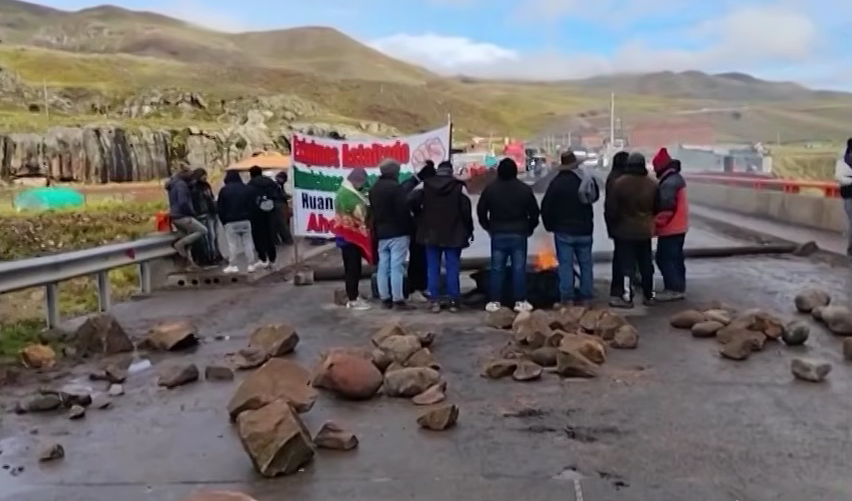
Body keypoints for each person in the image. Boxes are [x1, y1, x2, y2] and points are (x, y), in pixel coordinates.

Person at [477, 157, 540, 313]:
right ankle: (520, 301)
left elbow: (481, 211)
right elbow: (534, 212)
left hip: (498, 233)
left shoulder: (490, 189)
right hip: (519, 233)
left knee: (497, 268)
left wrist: (488, 227)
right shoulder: (524, 189)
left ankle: (494, 301)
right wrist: (529, 228)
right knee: (519, 268)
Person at [411, 160, 474, 313]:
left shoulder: (425, 185)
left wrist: (419, 216)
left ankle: (434, 300)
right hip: (454, 232)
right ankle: (453, 301)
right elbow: (466, 211)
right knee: (453, 266)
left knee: (432, 267)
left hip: (430, 232)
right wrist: (469, 230)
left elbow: (410, 200)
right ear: (451, 172)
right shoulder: (459, 187)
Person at [541, 151, 601, 306]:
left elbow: (546, 207)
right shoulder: (585, 180)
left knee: (565, 265)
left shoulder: (556, 183)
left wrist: (549, 225)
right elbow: (594, 197)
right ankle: (586, 296)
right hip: (585, 230)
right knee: (586, 264)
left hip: (563, 231)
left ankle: (567, 298)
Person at [604, 152, 659, 308]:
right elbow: (658, 207)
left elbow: (611, 210)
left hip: (624, 231)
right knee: (646, 265)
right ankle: (649, 295)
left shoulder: (619, 184)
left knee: (626, 266)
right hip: (644, 231)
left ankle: (626, 297)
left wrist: (612, 227)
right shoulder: (652, 184)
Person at [369, 159, 414, 309]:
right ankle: (398, 299)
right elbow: (403, 211)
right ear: (395, 172)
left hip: (381, 233)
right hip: (398, 232)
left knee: (383, 266)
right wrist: (409, 228)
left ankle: (385, 298)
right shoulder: (396, 188)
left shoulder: (374, 189)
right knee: (396, 267)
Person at [652, 147, 689, 301]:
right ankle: (679, 287)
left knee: (664, 258)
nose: (654, 170)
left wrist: (655, 225)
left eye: (655, 167)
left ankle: (673, 289)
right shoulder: (676, 179)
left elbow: (666, 208)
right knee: (676, 258)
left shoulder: (668, 184)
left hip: (671, 228)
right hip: (680, 226)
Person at [332, 168, 372, 310]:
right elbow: (360, 214)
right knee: (353, 268)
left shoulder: (343, 191)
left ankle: (354, 295)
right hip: (350, 237)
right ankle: (353, 300)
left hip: (345, 236)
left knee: (353, 268)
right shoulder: (349, 195)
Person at [401, 160, 436, 303]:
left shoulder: (410, 184)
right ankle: (415, 288)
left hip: (415, 226)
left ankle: (419, 287)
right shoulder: (415, 187)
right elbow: (408, 202)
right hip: (416, 227)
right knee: (418, 258)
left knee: (419, 257)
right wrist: (418, 214)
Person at [217, 170, 258, 273]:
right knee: (248, 243)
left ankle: (233, 265)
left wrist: (224, 221)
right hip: (245, 220)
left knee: (232, 244)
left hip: (230, 221)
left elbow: (220, 208)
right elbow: (253, 205)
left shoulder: (224, 191)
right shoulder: (247, 189)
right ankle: (251, 265)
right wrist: (251, 218)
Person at [166, 168, 208, 267]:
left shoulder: (173, 185)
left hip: (175, 215)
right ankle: (179, 244)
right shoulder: (181, 185)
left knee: (186, 238)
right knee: (203, 230)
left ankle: (188, 263)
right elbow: (183, 202)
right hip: (182, 215)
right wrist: (191, 212)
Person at [604, 151, 630, 300]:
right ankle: (634, 290)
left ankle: (618, 289)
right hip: (628, 225)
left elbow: (610, 207)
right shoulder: (625, 180)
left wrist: (610, 225)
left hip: (619, 225)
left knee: (620, 258)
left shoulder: (612, 178)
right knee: (634, 258)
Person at [188, 168, 222, 267]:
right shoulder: (195, 188)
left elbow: (210, 198)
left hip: (210, 212)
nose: (205, 177)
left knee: (213, 236)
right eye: (204, 175)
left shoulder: (204, 186)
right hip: (204, 213)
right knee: (209, 237)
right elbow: (204, 200)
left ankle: (214, 255)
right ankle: (211, 256)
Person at [247, 166, 279, 268]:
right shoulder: (270, 182)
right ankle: (272, 258)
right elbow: (278, 194)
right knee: (270, 235)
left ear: (251, 174)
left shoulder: (251, 184)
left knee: (258, 236)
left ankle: (263, 258)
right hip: (271, 211)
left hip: (257, 213)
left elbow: (249, 199)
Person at [836, 138, 852, 256]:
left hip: (847, 193)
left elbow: (839, 177)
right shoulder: (844, 160)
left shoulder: (843, 158)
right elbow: (840, 177)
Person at [273, 171, 294, 246]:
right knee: (283, 223)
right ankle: (287, 239)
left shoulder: (278, 185)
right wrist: (286, 196)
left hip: (279, 206)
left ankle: (282, 239)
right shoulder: (277, 186)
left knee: (281, 223)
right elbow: (279, 195)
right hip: (279, 206)